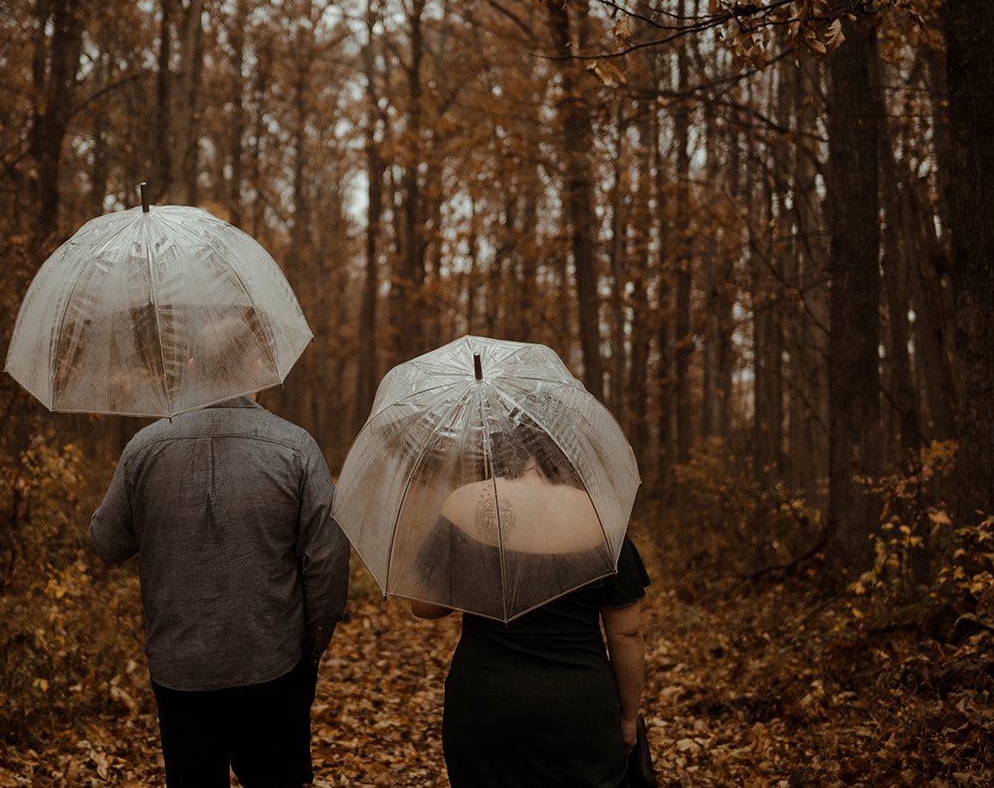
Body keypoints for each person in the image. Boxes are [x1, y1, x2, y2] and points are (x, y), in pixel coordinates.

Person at [89, 315, 349, 788]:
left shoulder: (144, 449)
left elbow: (106, 544)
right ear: (255, 368)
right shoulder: (296, 449)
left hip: (179, 671)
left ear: (190, 369)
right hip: (273, 667)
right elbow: (327, 563)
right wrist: (311, 648)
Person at [407, 415, 649, 788]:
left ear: (500, 447)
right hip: (578, 705)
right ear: (568, 451)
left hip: (485, 702)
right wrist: (628, 717)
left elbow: (425, 607)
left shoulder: (462, 504)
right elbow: (627, 634)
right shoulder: (604, 517)